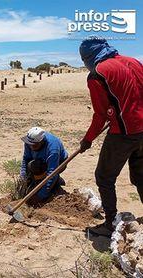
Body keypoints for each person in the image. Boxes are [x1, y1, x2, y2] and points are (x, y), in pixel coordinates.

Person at [78, 37, 143, 237]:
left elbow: (99, 115)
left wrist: (88, 139)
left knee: (104, 177)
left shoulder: (97, 75)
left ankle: (110, 223)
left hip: (123, 133)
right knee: (141, 176)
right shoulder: (134, 62)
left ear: (89, 56)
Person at [20, 127, 68, 206]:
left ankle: (55, 185)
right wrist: (23, 177)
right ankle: (38, 184)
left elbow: (52, 173)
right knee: (32, 166)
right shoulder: (30, 141)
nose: (31, 147)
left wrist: (39, 196)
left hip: (58, 163)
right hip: (39, 161)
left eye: (34, 146)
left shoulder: (53, 149)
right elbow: (26, 159)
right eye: (30, 145)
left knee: (43, 171)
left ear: (41, 142)